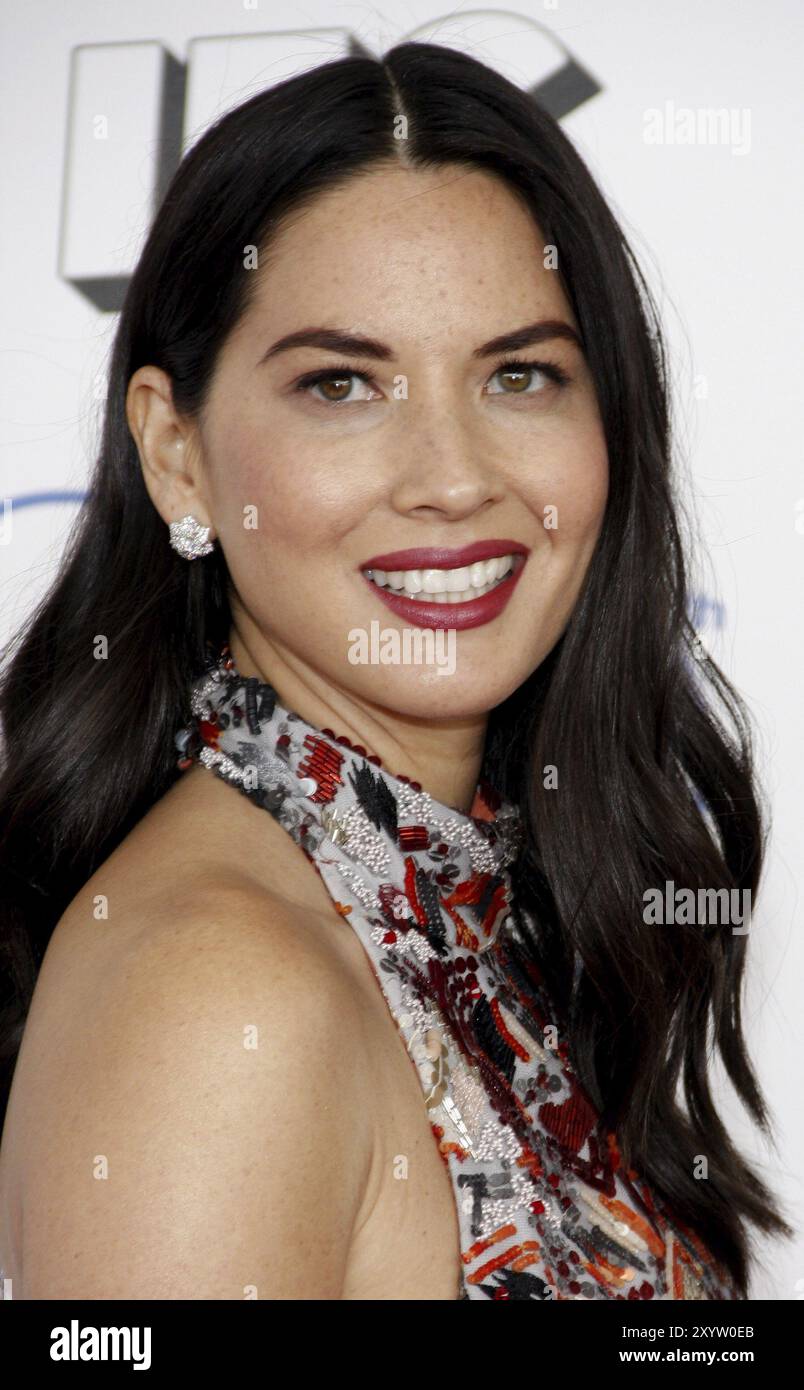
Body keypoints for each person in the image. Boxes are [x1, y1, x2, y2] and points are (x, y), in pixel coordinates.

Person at [0, 42, 791, 1300]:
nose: (453, 475)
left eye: (520, 374)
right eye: (343, 385)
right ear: (176, 453)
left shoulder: (480, 910)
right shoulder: (216, 998)